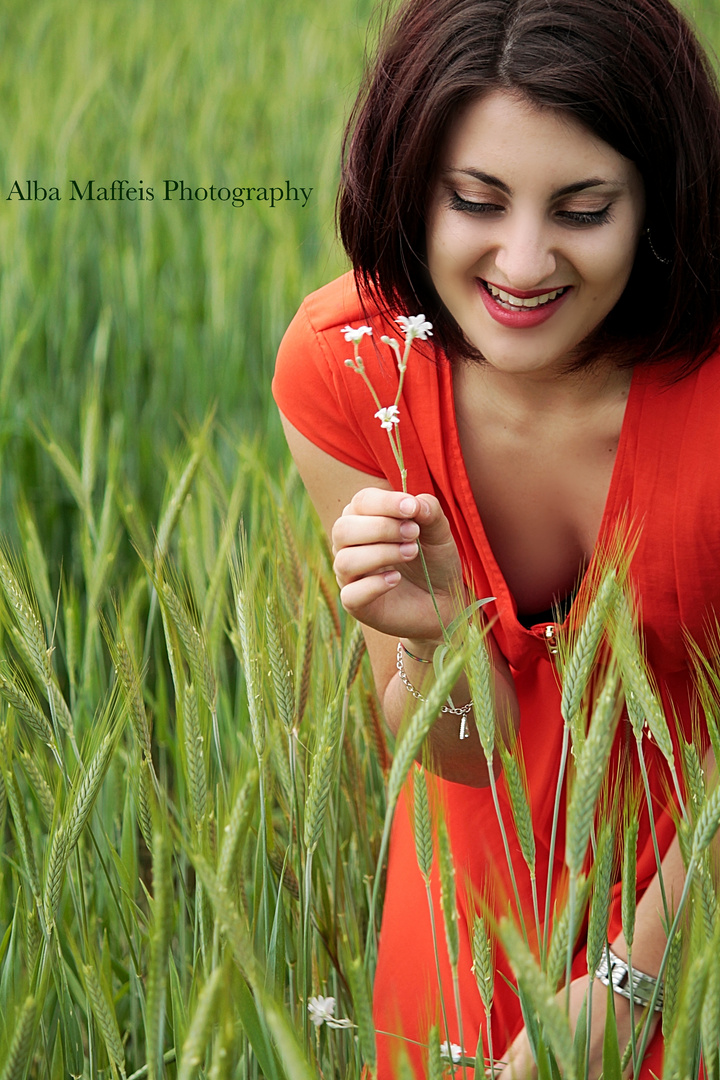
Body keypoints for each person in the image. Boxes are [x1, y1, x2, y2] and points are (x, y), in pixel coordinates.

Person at [272, 0, 720, 1074]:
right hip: (471, 954)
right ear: (409, 182)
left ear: (658, 199)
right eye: (477, 200)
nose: (524, 263)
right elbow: (464, 762)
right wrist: (434, 646)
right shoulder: (350, 372)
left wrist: (627, 991)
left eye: (583, 208)